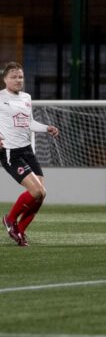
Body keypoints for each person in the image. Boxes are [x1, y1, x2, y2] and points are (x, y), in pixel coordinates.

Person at [0, 61, 60, 246]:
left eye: (21, 77)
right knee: (36, 191)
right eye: (14, 77)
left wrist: (46, 128)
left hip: (27, 150)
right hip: (11, 152)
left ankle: (20, 231)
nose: (18, 80)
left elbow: (30, 122)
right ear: (4, 79)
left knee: (41, 195)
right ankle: (10, 220)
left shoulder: (26, 97)